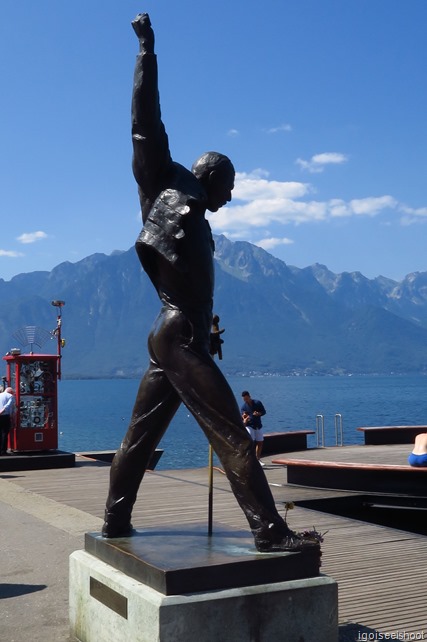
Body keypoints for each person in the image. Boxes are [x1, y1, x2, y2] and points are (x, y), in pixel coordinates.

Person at [102, 13, 318, 553]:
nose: (232, 197)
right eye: (233, 186)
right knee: (231, 431)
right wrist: (146, 51)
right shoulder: (164, 188)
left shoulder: (199, 219)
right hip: (177, 337)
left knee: (139, 437)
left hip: (177, 336)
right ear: (214, 175)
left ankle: (114, 520)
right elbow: (144, 121)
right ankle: (270, 532)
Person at [241, 391, 266, 464]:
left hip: (258, 425)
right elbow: (243, 415)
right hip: (250, 425)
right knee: (251, 442)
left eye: (246, 398)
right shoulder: (243, 407)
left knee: (260, 442)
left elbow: (264, 411)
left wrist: (259, 413)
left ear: (249, 396)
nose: (246, 400)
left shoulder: (257, 403)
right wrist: (244, 417)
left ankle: (258, 459)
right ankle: (251, 459)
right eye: (244, 399)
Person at [0, 387, 15, 455]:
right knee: (4, 433)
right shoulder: (10, 396)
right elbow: (8, 405)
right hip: (5, 416)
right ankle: (3, 451)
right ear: (10, 392)